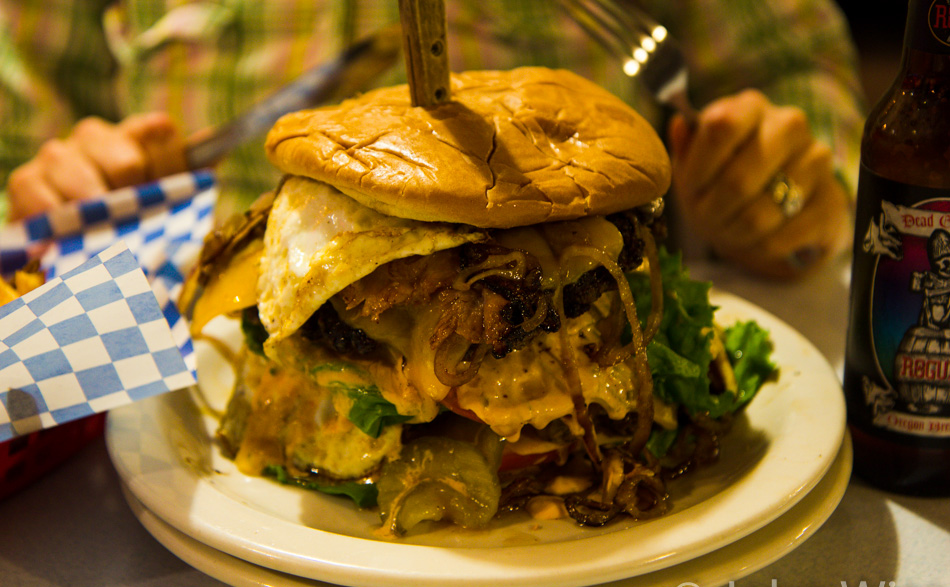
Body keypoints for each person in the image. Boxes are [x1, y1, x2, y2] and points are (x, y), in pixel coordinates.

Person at [0, 0, 866, 279]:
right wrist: (50, 192)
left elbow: (793, 67)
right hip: (167, 367)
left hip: (596, 273)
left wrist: (787, 188)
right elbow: (18, 134)